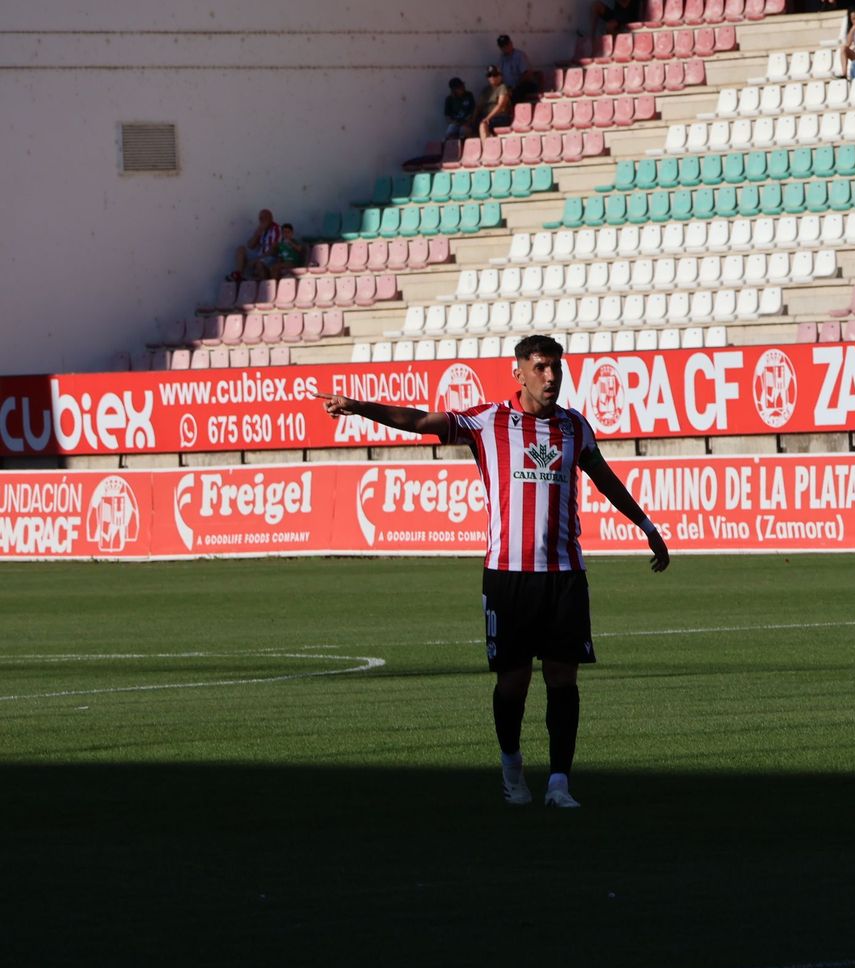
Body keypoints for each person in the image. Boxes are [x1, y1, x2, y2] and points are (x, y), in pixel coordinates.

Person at [315, 335, 671, 809]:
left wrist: (646, 525)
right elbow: (420, 421)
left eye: (556, 369)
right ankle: (511, 766)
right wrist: (359, 406)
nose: (551, 378)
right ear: (518, 371)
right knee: (514, 682)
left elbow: (604, 478)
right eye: (541, 368)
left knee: (564, 679)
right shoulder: (488, 422)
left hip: (565, 574)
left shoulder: (574, 428)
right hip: (509, 576)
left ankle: (560, 783)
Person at [231, 209, 280, 283]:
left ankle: (264, 286)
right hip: (260, 255)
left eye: (265, 218)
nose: (262, 220)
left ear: (271, 218)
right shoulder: (261, 229)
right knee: (241, 249)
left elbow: (274, 250)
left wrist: (257, 259)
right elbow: (250, 245)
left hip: (271, 257)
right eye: (260, 218)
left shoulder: (276, 229)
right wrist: (257, 233)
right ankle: (239, 274)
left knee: (259, 264)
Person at [494, 35, 538, 104]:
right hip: (510, 88)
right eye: (502, 46)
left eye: (506, 45)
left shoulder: (519, 55)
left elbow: (526, 74)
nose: (505, 47)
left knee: (517, 92)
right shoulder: (502, 59)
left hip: (524, 85)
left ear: (511, 43)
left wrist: (514, 87)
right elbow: (499, 75)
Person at [477, 66, 513, 138]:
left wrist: (487, 118)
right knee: (465, 129)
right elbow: (478, 107)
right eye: (489, 75)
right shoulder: (485, 90)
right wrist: (471, 120)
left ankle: (486, 148)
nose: (492, 77)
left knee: (482, 125)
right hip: (487, 118)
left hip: (500, 118)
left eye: (495, 75)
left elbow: (500, 105)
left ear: (500, 76)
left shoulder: (502, 87)